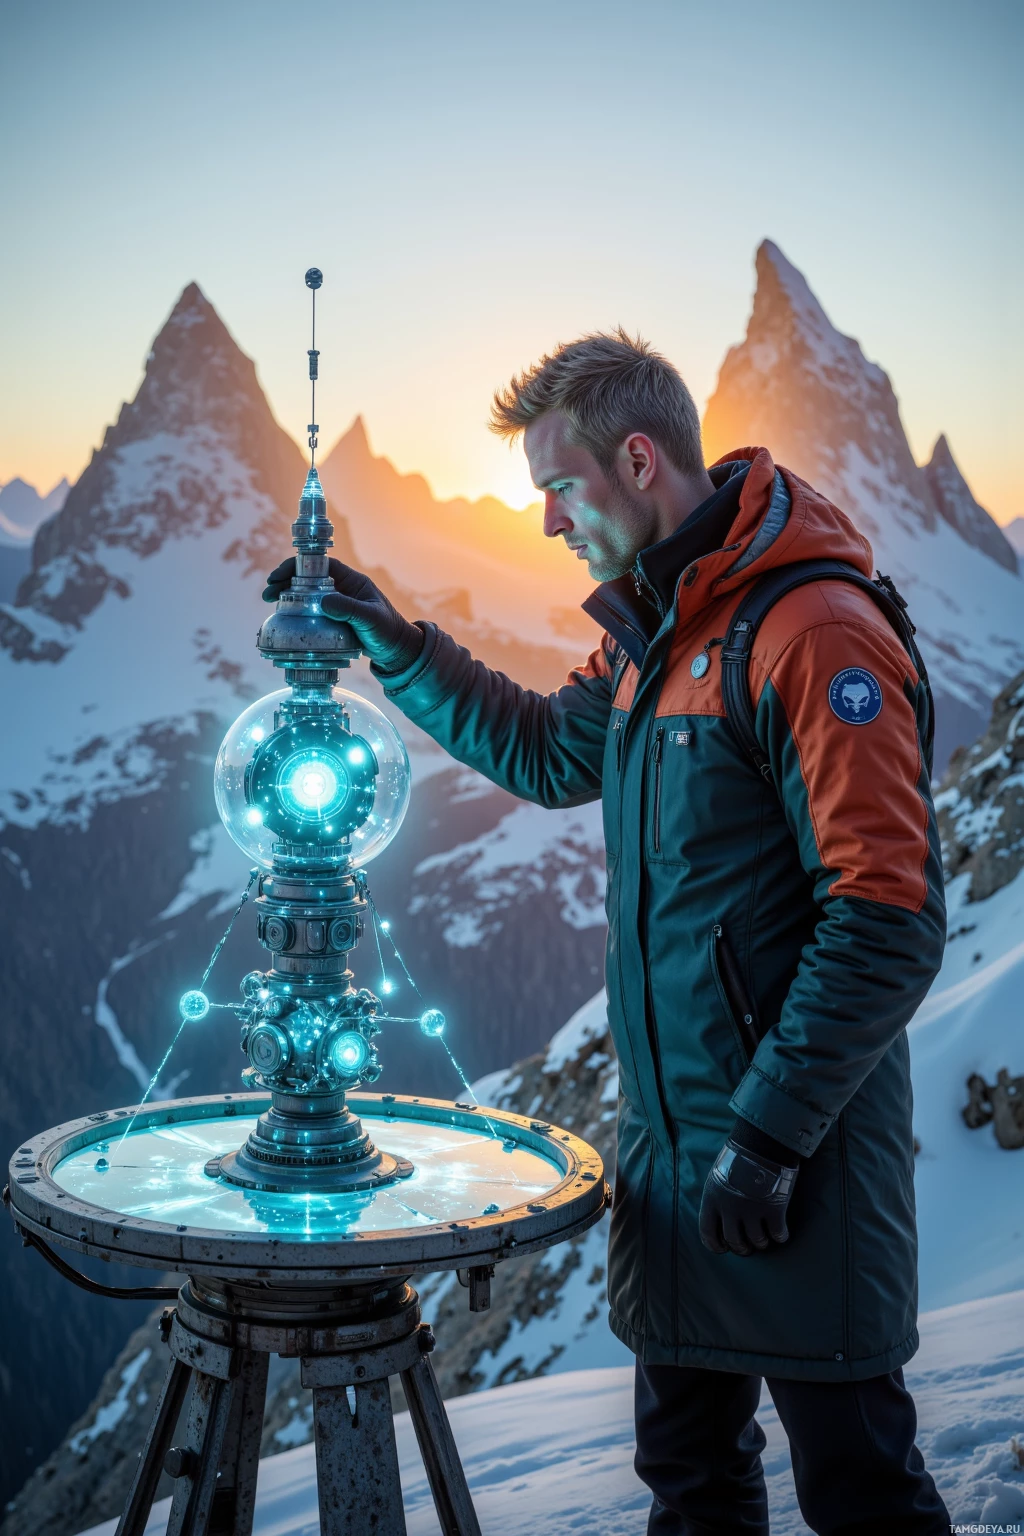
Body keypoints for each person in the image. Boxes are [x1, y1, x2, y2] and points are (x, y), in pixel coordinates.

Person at [264, 331, 951, 1533]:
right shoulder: (657, 628)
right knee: (689, 1482)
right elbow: (546, 751)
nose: (545, 521)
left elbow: (886, 917)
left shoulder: (810, 632)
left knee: (861, 1493)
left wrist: (767, 1137)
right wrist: (397, 644)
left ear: (638, 462)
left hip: (796, 1165)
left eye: (560, 487)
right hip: (677, 1168)